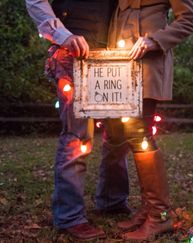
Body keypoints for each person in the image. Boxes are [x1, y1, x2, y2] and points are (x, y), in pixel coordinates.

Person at [25, 0, 131, 241]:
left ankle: (112, 200)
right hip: (70, 54)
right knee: (77, 135)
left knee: (118, 133)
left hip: (113, 57)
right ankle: (70, 215)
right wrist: (63, 35)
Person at [95, 0, 193, 241]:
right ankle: (147, 210)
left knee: (140, 134)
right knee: (131, 137)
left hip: (148, 65)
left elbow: (189, 19)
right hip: (120, 65)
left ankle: (159, 216)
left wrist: (155, 40)